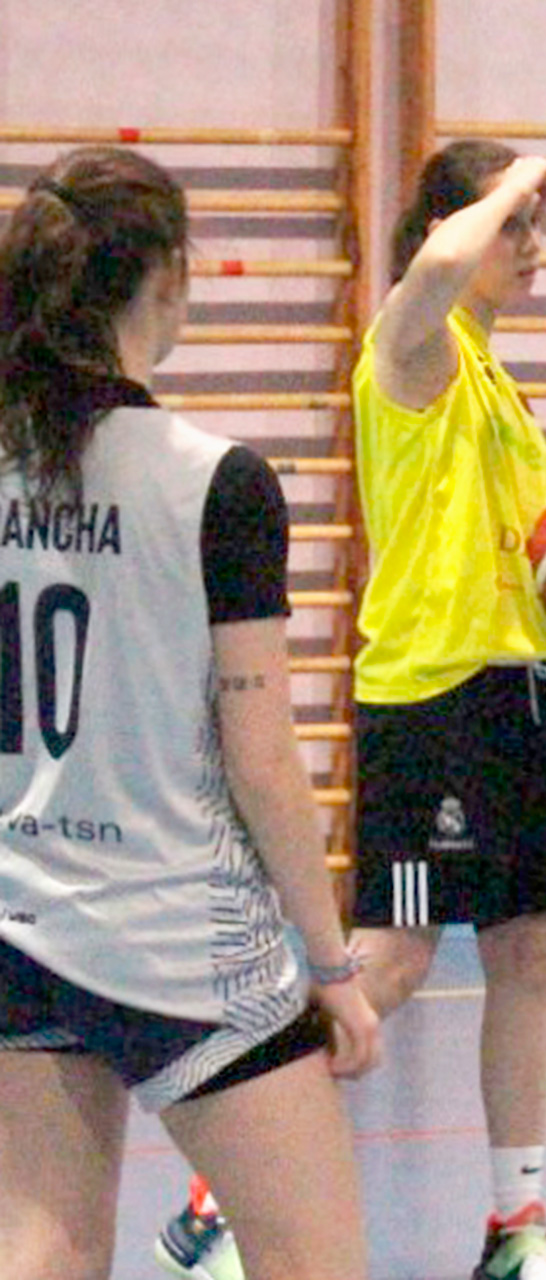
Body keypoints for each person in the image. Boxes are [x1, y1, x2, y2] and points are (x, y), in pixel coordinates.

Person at [160, 139, 546, 1280]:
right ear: (453, 234)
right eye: (517, 232)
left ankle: (516, 1227)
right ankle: (220, 1193)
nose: (532, 250)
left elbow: (535, 549)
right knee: (391, 963)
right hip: (432, 698)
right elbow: (443, 254)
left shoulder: (495, 375)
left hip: (522, 688)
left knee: (529, 953)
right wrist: (512, 181)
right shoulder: (411, 349)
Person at [0, 146, 381, 1280]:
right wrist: (330, 959)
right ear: (167, 274)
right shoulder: (212, 480)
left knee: (47, 1241)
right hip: (179, 935)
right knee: (316, 1259)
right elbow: (261, 757)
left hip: (22, 913)